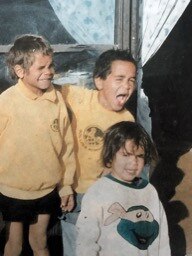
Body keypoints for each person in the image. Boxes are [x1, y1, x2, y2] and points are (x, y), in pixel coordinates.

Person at [0, 34, 76, 256]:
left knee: (40, 241)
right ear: (20, 71)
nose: (49, 71)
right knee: (14, 245)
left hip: (46, 190)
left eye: (51, 65)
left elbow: (67, 148)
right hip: (13, 190)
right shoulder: (6, 103)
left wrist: (66, 186)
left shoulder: (56, 100)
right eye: (41, 67)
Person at [61, 49, 137, 256]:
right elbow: (46, 90)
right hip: (66, 190)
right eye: (119, 78)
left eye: (132, 80)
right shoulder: (78, 97)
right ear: (99, 81)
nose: (127, 86)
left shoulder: (127, 121)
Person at [76, 121, 171, 256]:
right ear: (110, 156)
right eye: (126, 155)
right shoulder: (98, 192)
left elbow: (161, 238)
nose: (133, 162)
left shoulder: (149, 191)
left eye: (139, 156)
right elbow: (86, 243)